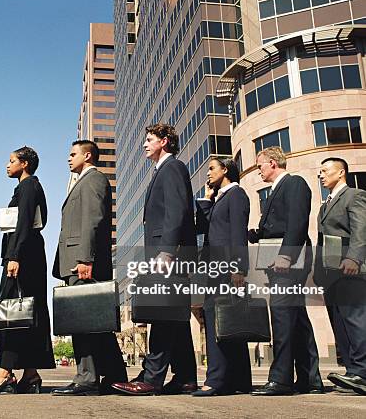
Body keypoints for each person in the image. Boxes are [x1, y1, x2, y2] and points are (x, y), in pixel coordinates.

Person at [112, 123, 197, 396]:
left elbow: (177, 210)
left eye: (150, 139)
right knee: (175, 318)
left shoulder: (172, 167)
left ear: (164, 141)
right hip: (165, 253)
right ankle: (185, 377)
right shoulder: (161, 171)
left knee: (162, 316)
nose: (145, 144)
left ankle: (151, 379)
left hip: (169, 254)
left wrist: (168, 250)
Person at [50, 140, 127, 396]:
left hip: (82, 262)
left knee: (82, 323)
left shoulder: (93, 179)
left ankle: (86, 379)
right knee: (95, 323)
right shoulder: (83, 180)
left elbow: (93, 219)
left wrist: (85, 258)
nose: (69, 158)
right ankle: (115, 375)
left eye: (73, 154)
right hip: (78, 260)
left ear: (88, 155)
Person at [0, 146, 55, 395]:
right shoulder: (27, 187)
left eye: (11, 161)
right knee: (25, 313)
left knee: (12, 313)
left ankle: (4, 373)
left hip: (24, 257)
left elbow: (23, 222)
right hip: (28, 255)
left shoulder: (29, 186)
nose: (7, 165)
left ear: (25, 164)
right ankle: (30, 374)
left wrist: (14, 256)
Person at [249, 146, 323, 396]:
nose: (258, 170)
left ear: (273, 163)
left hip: (289, 260)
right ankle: (310, 379)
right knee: (296, 318)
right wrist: (255, 234)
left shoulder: (295, 184)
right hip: (278, 259)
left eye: (260, 165)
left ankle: (280, 379)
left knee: (281, 315)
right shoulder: (274, 191)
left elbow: (298, 222)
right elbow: (276, 226)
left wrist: (286, 255)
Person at [192, 157, 252, 396]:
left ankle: (216, 381)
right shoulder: (221, 197)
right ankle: (239, 381)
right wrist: (207, 200)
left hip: (226, 267)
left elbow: (238, 232)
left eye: (212, 169)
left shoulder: (236, 195)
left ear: (226, 170)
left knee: (219, 320)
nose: (208, 173)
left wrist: (238, 267)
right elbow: (206, 229)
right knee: (230, 323)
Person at [316, 157, 366, 395]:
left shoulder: (354, 195)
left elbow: (361, 230)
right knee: (340, 321)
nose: (321, 175)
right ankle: (351, 372)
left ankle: (362, 372)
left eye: (325, 171)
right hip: (331, 274)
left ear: (341, 172)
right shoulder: (324, 206)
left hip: (350, 269)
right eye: (320, 171)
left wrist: (354, 258)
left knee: (355, 320)